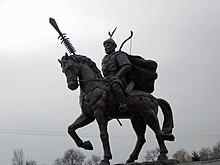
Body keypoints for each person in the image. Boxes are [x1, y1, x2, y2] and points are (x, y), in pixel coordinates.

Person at [102, 37, 131, 112]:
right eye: (105, 46)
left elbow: (127, 65)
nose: (106, 48)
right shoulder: (104, 58)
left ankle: (123, 104)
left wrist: (117, 76)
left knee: (115, 85)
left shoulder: (119, 54)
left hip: (118, 78)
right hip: (106, 79)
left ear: (113, 46)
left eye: (108, 45)